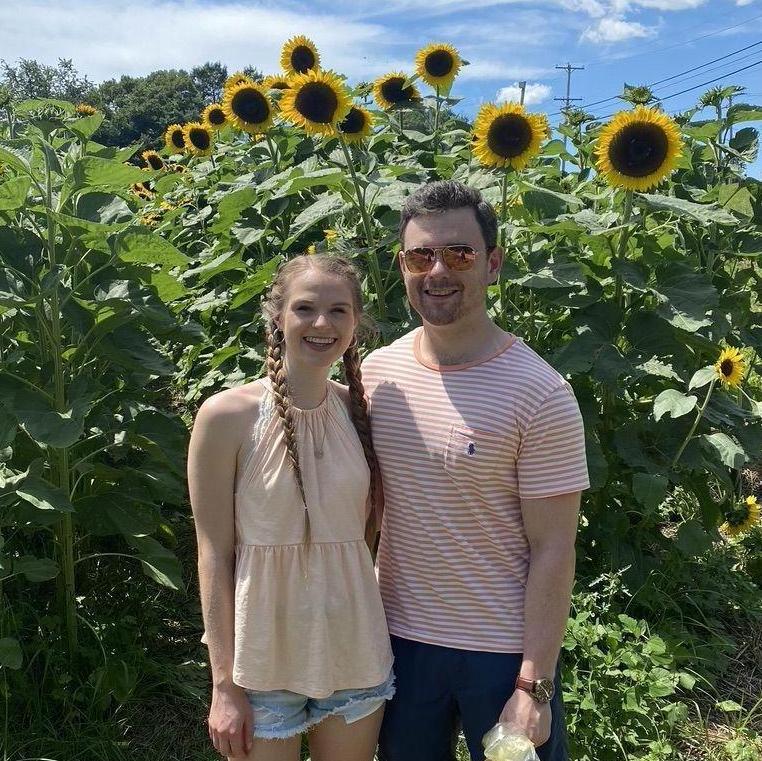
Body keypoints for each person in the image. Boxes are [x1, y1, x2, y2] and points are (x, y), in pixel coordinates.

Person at [361, 181, 590, 761]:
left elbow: (554, 548)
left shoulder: (540, 393)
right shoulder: (375, 375)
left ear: (492, 264)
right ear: (402, 266)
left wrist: (532, 683)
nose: (438, 270)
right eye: (421, 255)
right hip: (398, 642)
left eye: (459, 254)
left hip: (502, 654)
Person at [187, 254, 394, 761]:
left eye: (339, 311)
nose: (322, 324)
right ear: (277, 318)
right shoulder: (226, 417)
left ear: (356, 323)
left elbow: (367, 535)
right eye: (305, 308)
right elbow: (213, 554)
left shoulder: (361, 412)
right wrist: (223, 685)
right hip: (260, 663)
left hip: (355, 652)